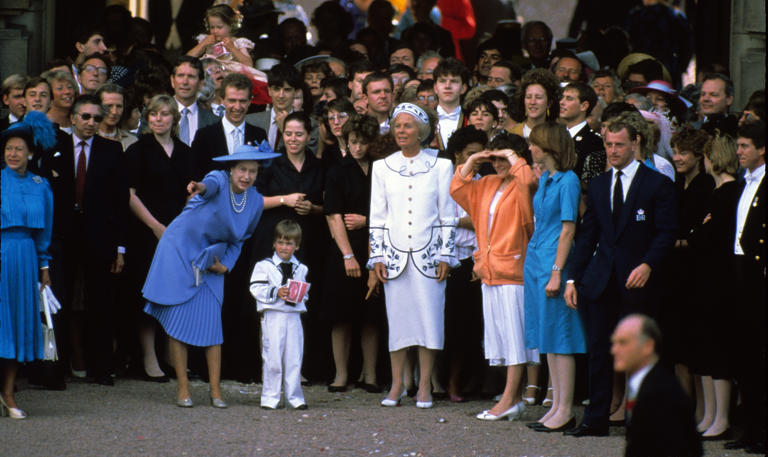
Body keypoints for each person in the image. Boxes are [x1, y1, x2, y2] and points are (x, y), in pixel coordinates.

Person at [142, 143, 280, 408]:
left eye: (252, 171)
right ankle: (183, 387)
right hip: (179, 249)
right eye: (242, 169)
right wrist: (198, 187)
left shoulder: (255, 202)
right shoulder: (218, 178)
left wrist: (226, 265)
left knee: (212, 327)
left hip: (211, 259)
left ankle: (216, 391)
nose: (246, 176)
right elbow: (207, 186)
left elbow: (241, 240)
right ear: (231, 169)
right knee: (178, 322)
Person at [563, 119, 677, 437]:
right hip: (601, 281)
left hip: (639, 281)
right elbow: (588, 236)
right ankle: (595, 419)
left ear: (635, 143)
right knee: (599, 349)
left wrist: (648, 265)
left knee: (640, 353)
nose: (612, 151)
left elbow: (666, 233)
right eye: (609, 145)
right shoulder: (599, 185)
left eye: (619, 145)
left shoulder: (657, 184)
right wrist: (573, 279)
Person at [370, 103, 457, 409]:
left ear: (421, 131)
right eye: (397, 126)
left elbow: (448, 215)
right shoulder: (382, 167)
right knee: (399, 322)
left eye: (408, 126)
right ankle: (396, 385)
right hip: (394, 257)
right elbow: (377, 217)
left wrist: (446, 253)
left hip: (429, 257)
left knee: (429, 320)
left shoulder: (441, 166)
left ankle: (424, 387)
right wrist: (376, 256)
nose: (402, 131)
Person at [41, 94, 129, 386]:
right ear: (74, 118)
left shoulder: (112, 150)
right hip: (61, 236)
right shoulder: (54, 146)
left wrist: (120, 248)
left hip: (99, 236)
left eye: (96, 117)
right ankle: (55, 370)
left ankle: (101, 369)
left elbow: (120, 202)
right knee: (59, 301)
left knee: (101, 302)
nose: (92, 123)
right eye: (86, 117)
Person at [450, 132, 538, 421]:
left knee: (515, 339)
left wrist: (514, 157)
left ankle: (511, 400)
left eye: (504, 158)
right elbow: (457, 188)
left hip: (513, 269)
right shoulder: (487, 183)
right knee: (501, 338)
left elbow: (526, 180)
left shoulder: (525, 183)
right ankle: (511, 397)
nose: (499, 164)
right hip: (489, 270)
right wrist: (475, 159)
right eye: (495, 158)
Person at [124, 94, 196, 382]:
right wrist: (155, 226)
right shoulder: (138, 151)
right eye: (154, 114)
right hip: (147, 231)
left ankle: (171, 355)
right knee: (148, 294)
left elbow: (194, 193)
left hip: (179, 234)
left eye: (165, 114)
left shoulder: (186, 152)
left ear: (174, 119)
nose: (159, 119)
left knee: (176, 294)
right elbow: (129, 195)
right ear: (147, 117)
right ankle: (149, 356)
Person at [523, 123, 586, 432]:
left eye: (535, 144)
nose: (531, 148)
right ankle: (557, 406)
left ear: (548, 147)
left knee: (561, 337)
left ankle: (565, 408)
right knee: (548, 337)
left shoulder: (568, 180)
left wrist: (557, 272)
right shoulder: (546, 179)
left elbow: (568, 228)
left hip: (553, 260)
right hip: (537, 257)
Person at [322, 114, 381, 393]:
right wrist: (348, 255)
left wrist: (367, 221)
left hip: (376, 245)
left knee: (372, 316)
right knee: (341, 315)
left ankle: (369, 374)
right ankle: (340, 374)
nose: (357, 147)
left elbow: (387, 213)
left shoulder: (381, 170)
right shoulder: (337, 171)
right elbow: (333, 216)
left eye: (363, 142)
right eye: (353, 142)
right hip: (344, 248)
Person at [687, 133, 739, 440]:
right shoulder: (717, 193)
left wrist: (698, 230)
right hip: (705, 279)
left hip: (718, 281)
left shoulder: (728, 193)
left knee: (718, 350)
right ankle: (709, 414)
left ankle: (721, 417)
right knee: (704, 349)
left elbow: (704, 237)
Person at [0, 124, 54, 419]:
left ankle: (8, 393)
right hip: (1, 251)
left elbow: (44, 233)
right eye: (9, 148)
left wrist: (44, 266)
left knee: (17, 324)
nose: (13, 153)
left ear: (30, 153)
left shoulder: (40, 185)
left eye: (19, 149)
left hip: (26, 258)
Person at [663, 126, 714, 397]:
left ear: (698, 155)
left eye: (683, 153)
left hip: (695, 273)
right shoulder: (675, 185)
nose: (677, 157)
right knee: (676, 344)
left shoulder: (706, 185)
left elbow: (701, 234)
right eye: (675, 152)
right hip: (673, 272)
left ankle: (699, 409)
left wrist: (682, 241)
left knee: (692, 343)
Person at [725, 120, 766, 454]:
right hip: (740, 267)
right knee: (746, 353)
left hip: (759, 271)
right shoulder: (745, 181)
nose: (738, 152)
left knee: (759, 354)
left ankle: (760, 429)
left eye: (744, 146)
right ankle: (750, 428)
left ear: (762, 148)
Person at [611, 314, 701, 457]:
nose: (614, 350)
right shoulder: (644, 384)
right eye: (614, 342)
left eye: (623, 343)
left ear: (648, 346)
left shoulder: (660, 394)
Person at [442, 126, 486, 403]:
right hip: (446, 259)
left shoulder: (485, 182)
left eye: (480, 154)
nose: (476, 159)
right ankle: (444, 382)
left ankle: (468, 381)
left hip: (476, 258)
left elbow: (488, 222)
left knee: (472, 326)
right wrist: (462, 220)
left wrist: (460, 221)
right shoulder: (442, 180)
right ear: (458, 154)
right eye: (471, 154)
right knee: (449, 326)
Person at [250, 220, 309, 410]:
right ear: (274, 243)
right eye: (281, 242)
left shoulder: (301, 268)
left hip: (293, 316)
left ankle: (295, 397)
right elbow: (256, 288)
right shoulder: (264, 266)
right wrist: (276, 292)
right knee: (273, 357)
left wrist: (299, 294)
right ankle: (270, 397)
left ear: (297, 246)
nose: (284, 247)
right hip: (273, 316)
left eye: (289, 243)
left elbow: (304, 293)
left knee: (294, 357)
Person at [190, 73, 267, 180]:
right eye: (232, 100)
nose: (237, 107)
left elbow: (264, 176)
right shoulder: (204, 135)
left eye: (242, 101)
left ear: (250, 101)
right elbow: (196, 175)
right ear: (222, 100)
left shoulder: (259, 135)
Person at [170, 56, 219, 146]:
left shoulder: (214, 121)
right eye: (180, 76)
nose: (185, 82)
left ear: (200, 83)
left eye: (191, 76)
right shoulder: (154, 114)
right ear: (172, 81)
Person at [510, 69, 560, 139]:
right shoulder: (512, 134)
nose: (532, 102)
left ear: (549, 103)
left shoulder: (558, 135)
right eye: (528, 97)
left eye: (538, 97)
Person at [434, 58, 469, 151]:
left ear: (463, 88)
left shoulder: (471, 119)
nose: (447, 86)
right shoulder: (424, 119)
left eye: (454, 81)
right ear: (435, 88)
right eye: (442, 81)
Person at [95, 83, 138, 151]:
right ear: (97, 107)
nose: (114, 112)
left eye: (119, 106)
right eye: (109, 106)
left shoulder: (132, 141)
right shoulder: (87, 137)